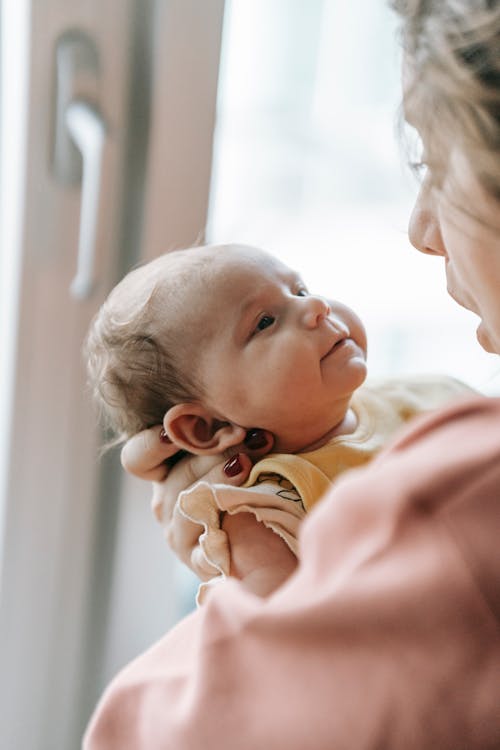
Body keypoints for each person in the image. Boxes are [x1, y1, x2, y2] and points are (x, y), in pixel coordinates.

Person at [84, 1, 500, 748]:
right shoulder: (259, 502)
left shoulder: (462, 488)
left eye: (436, 165)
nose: (420, 229)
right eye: (265, 323)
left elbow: (223, 703)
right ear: (205, 427)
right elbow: (275, 615)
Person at [86, 243, 471, 598]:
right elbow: (281, 640)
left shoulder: (429, 391)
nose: (316, 306)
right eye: (265, 322)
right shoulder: (261, 513)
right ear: (209, 428)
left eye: (300, 291)